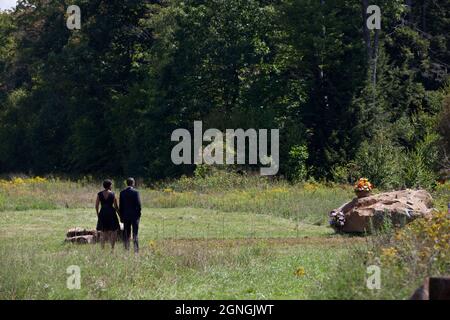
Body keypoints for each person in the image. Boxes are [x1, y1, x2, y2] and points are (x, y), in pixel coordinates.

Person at [95, 179, 120, 250]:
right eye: (111, 185)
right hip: (111, 213)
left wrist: (98, 214)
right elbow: (116, 206)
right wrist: (120, 215)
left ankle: (102, 248)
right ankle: (112, 248)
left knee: (103, 231)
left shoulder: (99, 194)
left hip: (102, 212)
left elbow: (96, 206)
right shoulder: (113, 194)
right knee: (113, 231)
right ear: (109, 186)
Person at [119, 177, 142, 253]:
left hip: (125, 216)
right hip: (134, 216)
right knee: (135, 233)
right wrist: (139, 214)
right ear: (133, 183)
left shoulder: (122, 192)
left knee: (126, 233)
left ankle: (126, 249)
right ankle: (136, 250)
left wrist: (121, 217)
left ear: (127, 183)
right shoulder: (136, 192)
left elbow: (121, 206)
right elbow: (138, 205)